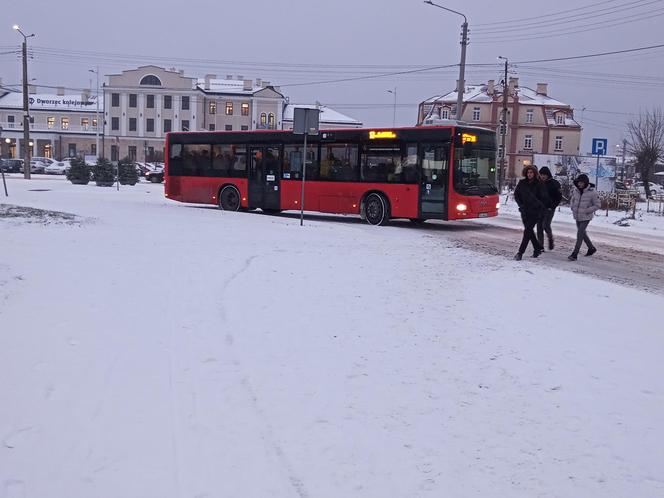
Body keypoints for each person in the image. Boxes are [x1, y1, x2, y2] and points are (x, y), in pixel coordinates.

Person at [513, 165, 549, 260]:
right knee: (529, 231)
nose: (529, 174)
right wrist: (521, 205)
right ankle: (537, 248)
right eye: (528, 172)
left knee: (527, 231)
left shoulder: (539, 184)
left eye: (531, 172)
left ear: (534, 173)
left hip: (535, 212)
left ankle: (520, 252)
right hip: (524, 211)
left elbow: (544, 198)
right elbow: (516, 195)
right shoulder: (522, 183)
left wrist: (539, 206)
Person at [568, 173, 601, 261]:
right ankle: (591, 248)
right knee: (582, 233)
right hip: (577, 215)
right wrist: (573, 207)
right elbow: (573, 199)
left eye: (582, 182)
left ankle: (575, 253)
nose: (580, 184)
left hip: (586, 217)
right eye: (579, 182)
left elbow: (597, 205)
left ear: (585, 183)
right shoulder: (576, 190)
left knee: (580, 234)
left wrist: (587, 210)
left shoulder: (592, 192)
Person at [537, 166, 563, 250]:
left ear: (548, 175)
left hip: (549, 208)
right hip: (539, 208)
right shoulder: (538, 183)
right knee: (539, 227)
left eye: (544, 174)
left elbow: (559, 197)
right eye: (541, 174)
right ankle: (540, 246)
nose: (543, 176)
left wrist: (552, 206)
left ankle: (550, 239)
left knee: (545, 225)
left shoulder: (554, 184)